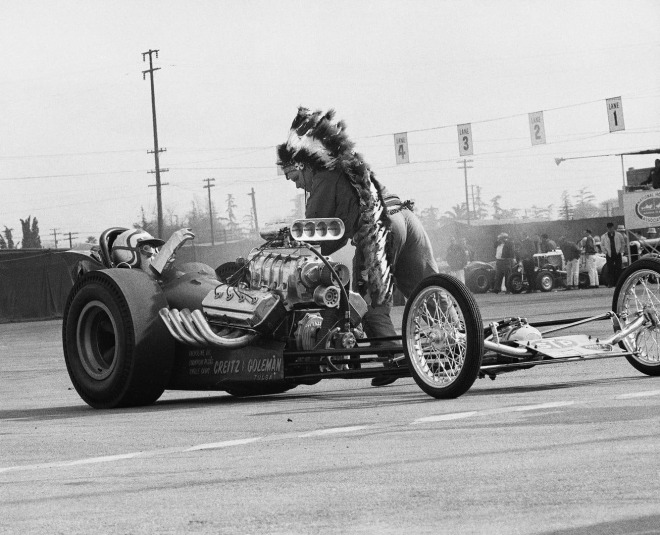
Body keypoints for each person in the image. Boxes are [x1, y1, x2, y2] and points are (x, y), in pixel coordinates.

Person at [277, 107, 442, 387]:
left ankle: (392, 359)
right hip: (404, 218)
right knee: (432, 291)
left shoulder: (323, 178)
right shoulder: (345, 165)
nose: (296, 186)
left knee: (372, 303)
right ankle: (460, 336)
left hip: (377, 229)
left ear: (302, 165)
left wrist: (292, 241)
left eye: (294, 178)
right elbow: (339, 231)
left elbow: (320, 240)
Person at [600, 222, 626, 287]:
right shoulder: (604, 236)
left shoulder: (619, 235)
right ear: (607, 228)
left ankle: (619, 283)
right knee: (610, 269)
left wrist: (621, 251)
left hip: (617, 253)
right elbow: (602, 245)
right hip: (609, 254)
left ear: (613, 227)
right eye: (608, 228)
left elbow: (623, 243)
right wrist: (605, 252)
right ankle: (611, 283)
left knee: (618, 268)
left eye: (611, 228)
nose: (610, 229)